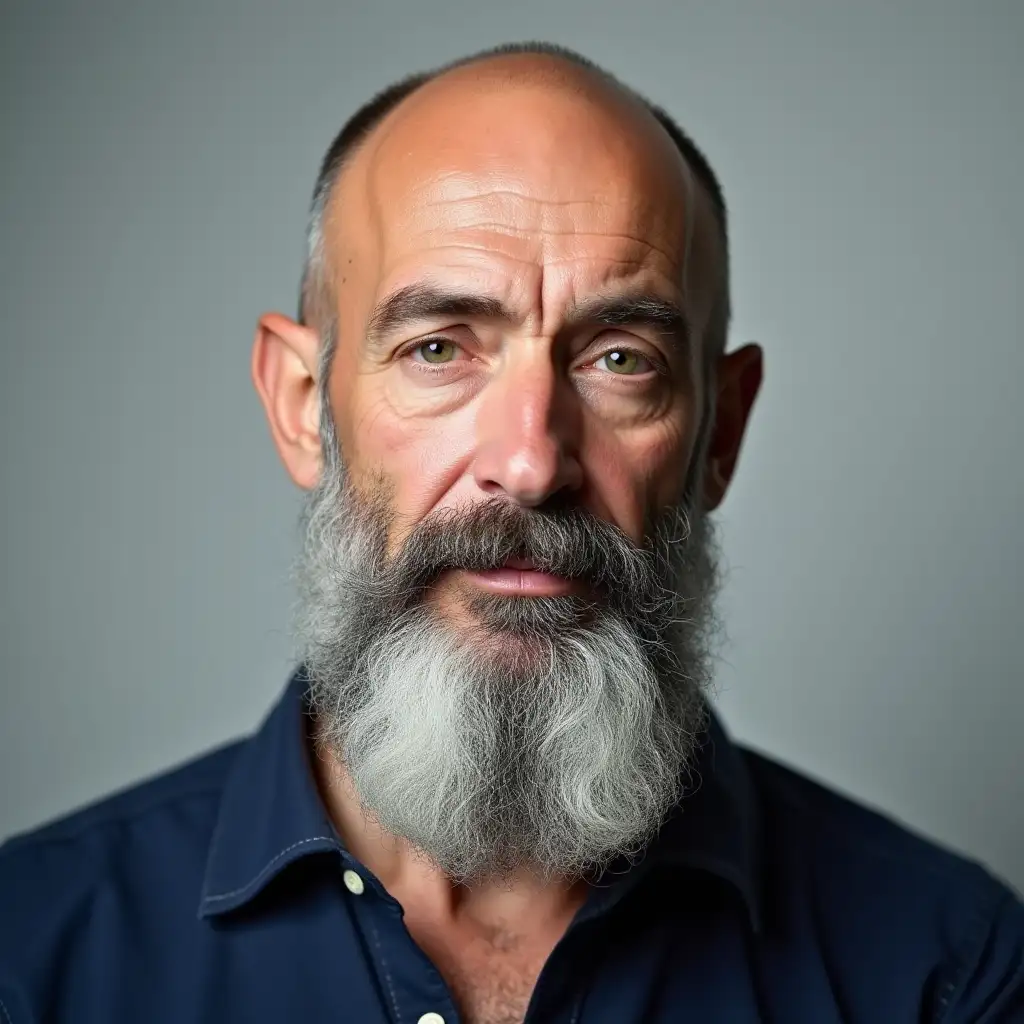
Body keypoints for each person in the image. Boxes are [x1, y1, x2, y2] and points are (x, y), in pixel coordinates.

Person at [1, 41, 1021, 1024]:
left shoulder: (948, 975)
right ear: (303, 402)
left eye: (621, 361)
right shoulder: (30, 961)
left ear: (722, 430)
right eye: (438, 347)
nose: (530, 462)